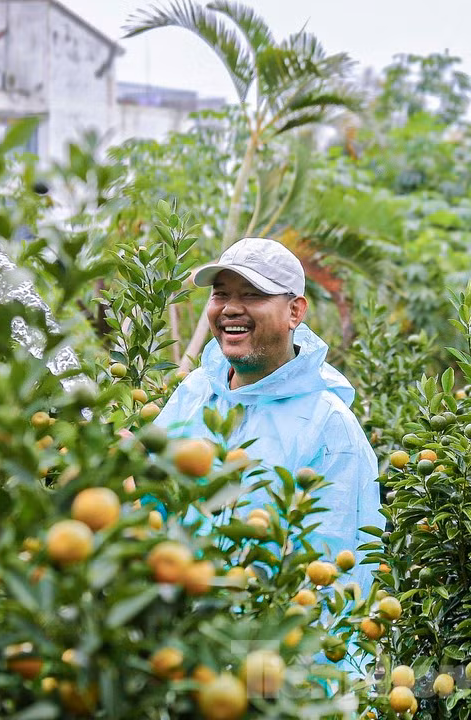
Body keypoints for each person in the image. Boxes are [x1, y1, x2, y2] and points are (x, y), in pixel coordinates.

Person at [154, 237, 383, 596]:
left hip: (265, 642)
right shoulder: (196, 391)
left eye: (252, 295)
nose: (230, 308)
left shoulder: (328, 426)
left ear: (295, 311)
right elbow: (152, 498)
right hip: (175, 631)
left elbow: (331, 575)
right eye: (221, 294)